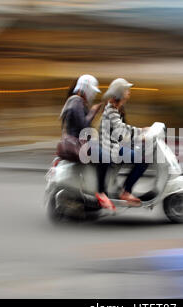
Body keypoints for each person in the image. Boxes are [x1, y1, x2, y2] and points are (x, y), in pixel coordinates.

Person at [59, 74, 116, 211]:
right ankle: (101, 193)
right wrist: (93, 111)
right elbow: (83, 126)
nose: (92, 94)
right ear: (85, 88)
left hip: (80, 142)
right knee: (107, 159)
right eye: (92, 91)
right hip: (81, 145)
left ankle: (93, 191)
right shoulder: (76, 101)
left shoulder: (74, 101)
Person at [98, 78, 149, 206]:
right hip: (109, 147)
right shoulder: (111, 109)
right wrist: (140, 135)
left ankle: (122, 189)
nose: (129, 92)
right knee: (142, 161)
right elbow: (121, 129)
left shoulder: (117, 108)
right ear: (120, 93)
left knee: (139, 155)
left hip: (114, 144)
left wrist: (141, 131)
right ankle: (126, 192)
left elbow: (124, 127)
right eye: (126, 90)